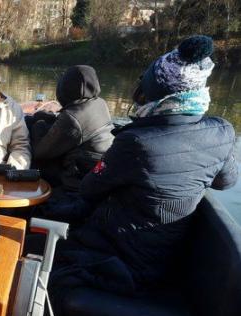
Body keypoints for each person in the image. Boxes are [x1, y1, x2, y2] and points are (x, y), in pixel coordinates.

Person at [51, 35, 238, 294]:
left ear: (152, 90)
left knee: (35, 250)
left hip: (120, 258)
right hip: (162, 258)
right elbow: (226, 181)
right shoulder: (222, 131)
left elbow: (89, 188)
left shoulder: (137, 141)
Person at [31, 65, 114, 191]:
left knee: (34, 162)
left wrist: (39, 123)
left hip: (78, 179)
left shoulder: (72, 118)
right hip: (98, 169)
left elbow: (40, 152)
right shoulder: (100, 103)